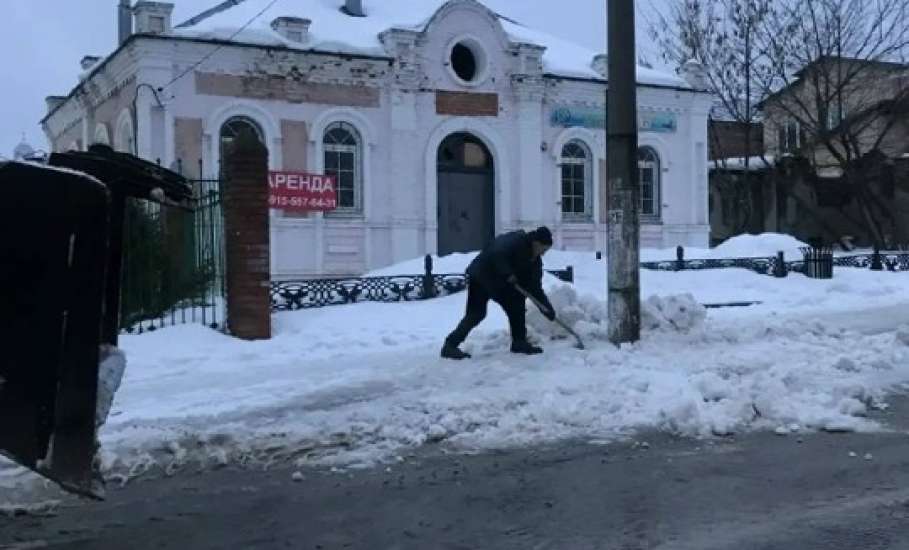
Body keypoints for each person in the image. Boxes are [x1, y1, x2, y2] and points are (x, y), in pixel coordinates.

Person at [441, 226, 556, 360]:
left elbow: (535, 287)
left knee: (517, 305)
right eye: (543, 249)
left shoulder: (534, 262)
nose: (543, 254)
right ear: (536, 243)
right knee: (476, 314)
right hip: (482, 276)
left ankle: (519, 342)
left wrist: (546, 308)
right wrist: (507, 272)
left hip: (500, 283)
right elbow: (496, 253)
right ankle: (450, 346)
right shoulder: (515, 241)